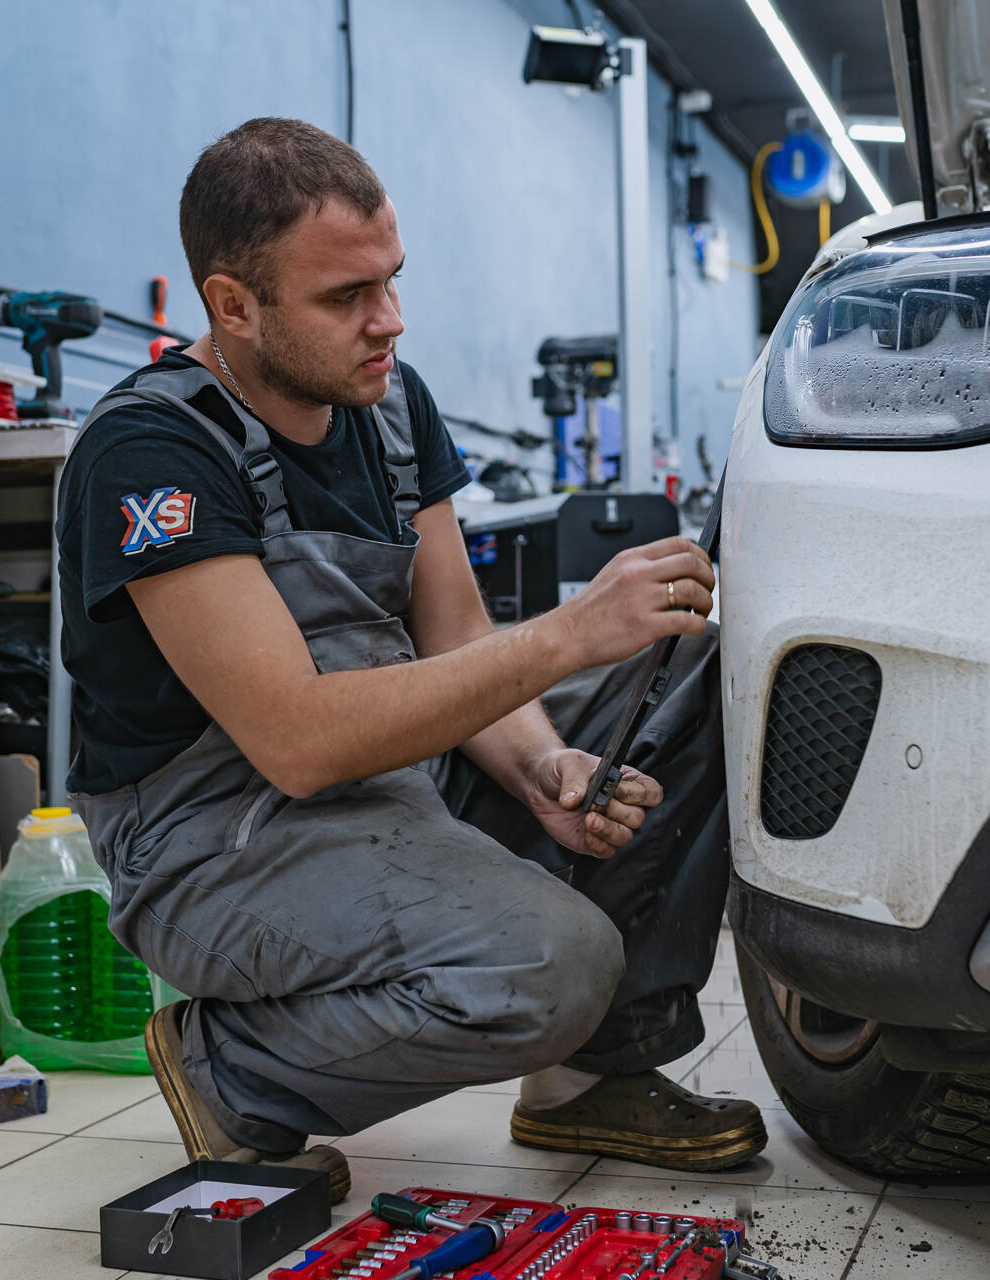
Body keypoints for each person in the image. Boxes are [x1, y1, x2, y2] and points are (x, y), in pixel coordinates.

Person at [55, 117, 757, 1203]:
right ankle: (234, 1070)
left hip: (392, 780)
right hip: (219, 836)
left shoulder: (388, 405)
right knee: (550, 962)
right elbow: (296, 740)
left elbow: (457, 638)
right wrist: (570, 631)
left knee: (695, 666)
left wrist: (542, 768)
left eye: (391, 280)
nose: (388, 320)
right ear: (233, 305)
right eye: (346, 297)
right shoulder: (153, 452)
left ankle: (591, 1073)